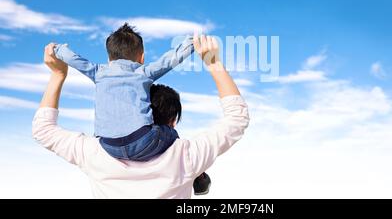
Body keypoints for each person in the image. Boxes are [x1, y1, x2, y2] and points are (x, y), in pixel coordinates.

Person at [32, 35, 250, 198]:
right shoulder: (186, 157)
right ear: (172, 119)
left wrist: (57, 74)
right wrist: (213, 62)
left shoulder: (92, 153)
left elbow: (42, 130)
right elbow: (236, 119)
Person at [53, 23, 209, 194]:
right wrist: (192, 42)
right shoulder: (143, 72)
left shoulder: (98, 72)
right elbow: (170, 59)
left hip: (108, 146)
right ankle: (198, 178)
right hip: (143, 140)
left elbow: (75, 60)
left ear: (109, 59)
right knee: (173, 136)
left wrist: (58, 49)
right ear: (141, 57)